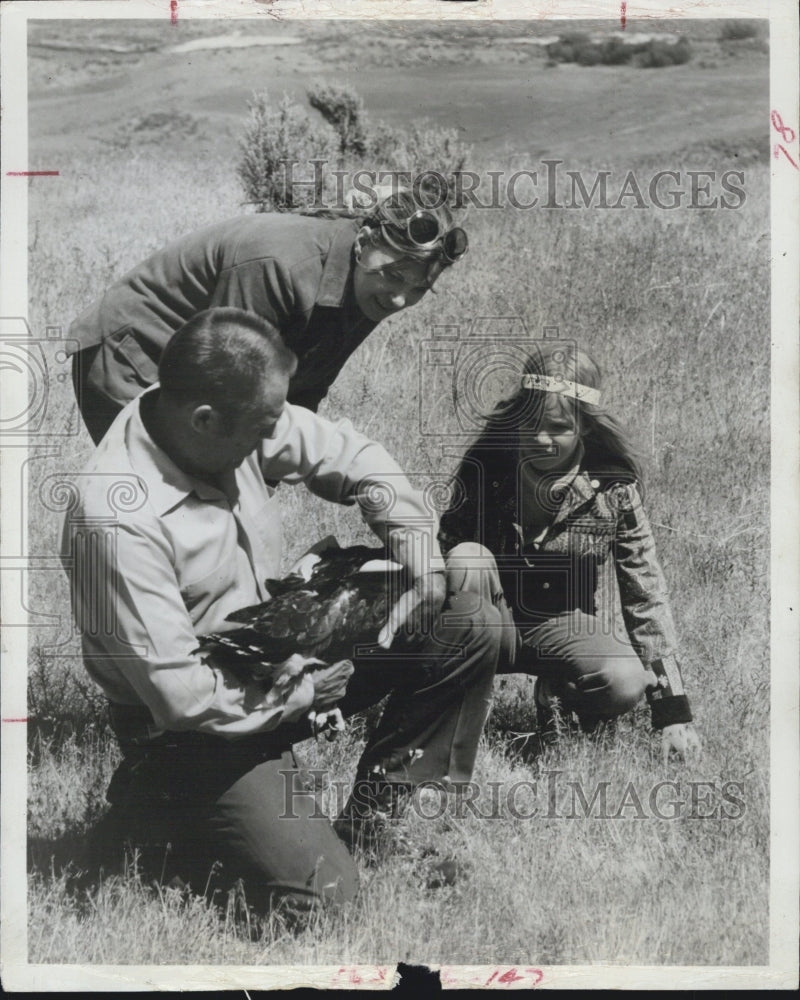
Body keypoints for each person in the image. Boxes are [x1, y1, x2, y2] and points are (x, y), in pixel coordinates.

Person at [61, 307, 501, 919]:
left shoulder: (218, 416)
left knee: (467, 625)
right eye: (264, 425)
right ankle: (154, 817)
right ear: (206, 421)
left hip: (285, 656)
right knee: (324, 905)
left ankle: (382, 828)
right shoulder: (117, 520)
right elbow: (182, 699)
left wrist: (419, 553)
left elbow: (354, 456)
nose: (275, 435)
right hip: (192, 733)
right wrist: (306, 696)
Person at [437, 342, 701, 761]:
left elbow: (645, 593)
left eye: (559, 427)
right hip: (486, 618)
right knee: (467, 557)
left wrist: (673, 714)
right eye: (531, 423)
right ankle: (453, 717)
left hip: (561, 623)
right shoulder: (485, 465)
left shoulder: (613, 489)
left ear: (586, 428)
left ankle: (557, 691)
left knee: (625, 680)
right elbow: (444, 555)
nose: (542, 439)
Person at [68, 188, 468, 444]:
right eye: (395, 276)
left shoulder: (373, 283)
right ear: (363, 243)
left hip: (197, 365)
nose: (400, 299)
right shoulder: (280, 266)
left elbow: (307, 384)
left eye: (418, 289)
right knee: (166, 504)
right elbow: (221, 383)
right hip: (133, 354)